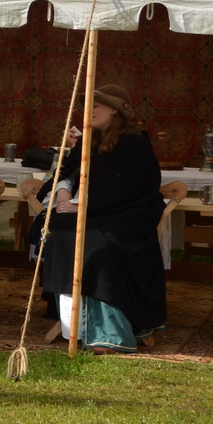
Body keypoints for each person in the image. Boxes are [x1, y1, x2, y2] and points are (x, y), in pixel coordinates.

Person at [36, 84, 167, 353]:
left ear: (115, 111)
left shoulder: (133, 143)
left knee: (97, 246)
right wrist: (63, 193)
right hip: (100, 213)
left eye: (96, 106)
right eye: (88, 106)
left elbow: (123, 191)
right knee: (57, 227)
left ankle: (110, 332)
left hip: (127, 220)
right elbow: (67, 173)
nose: (89, 111)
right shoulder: (91, 141)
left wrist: (83, 207)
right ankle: (76, 325)